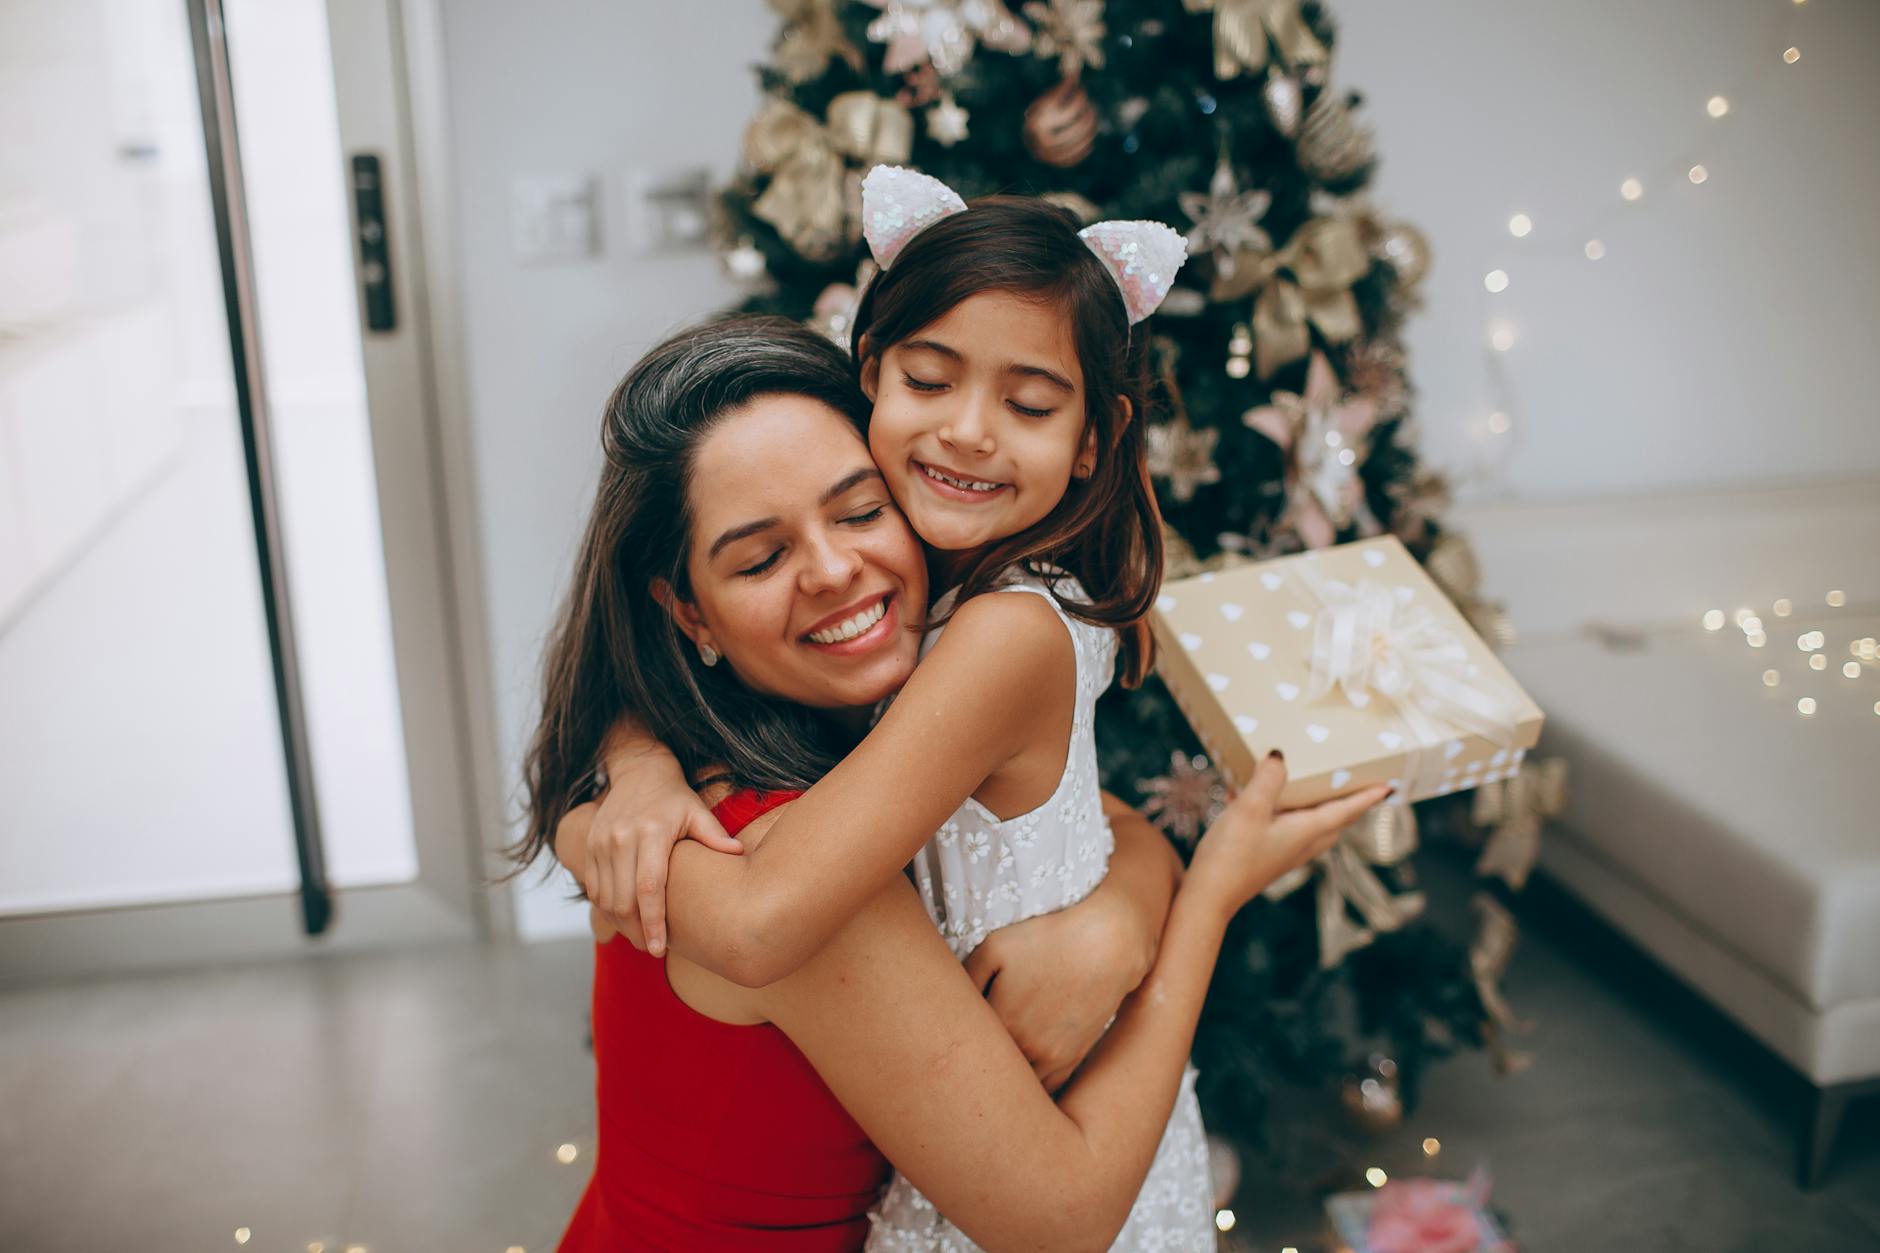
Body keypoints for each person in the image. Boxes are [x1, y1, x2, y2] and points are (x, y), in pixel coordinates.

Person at [522, 311, 1385, 1248]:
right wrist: (1207, 898)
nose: (835, 568)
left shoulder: (835, 742)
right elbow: (1065, 1216)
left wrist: (1124, 915)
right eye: (762, 558)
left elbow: (1104, 820)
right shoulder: (777, 863)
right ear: (686, 609)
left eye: (861, 510)